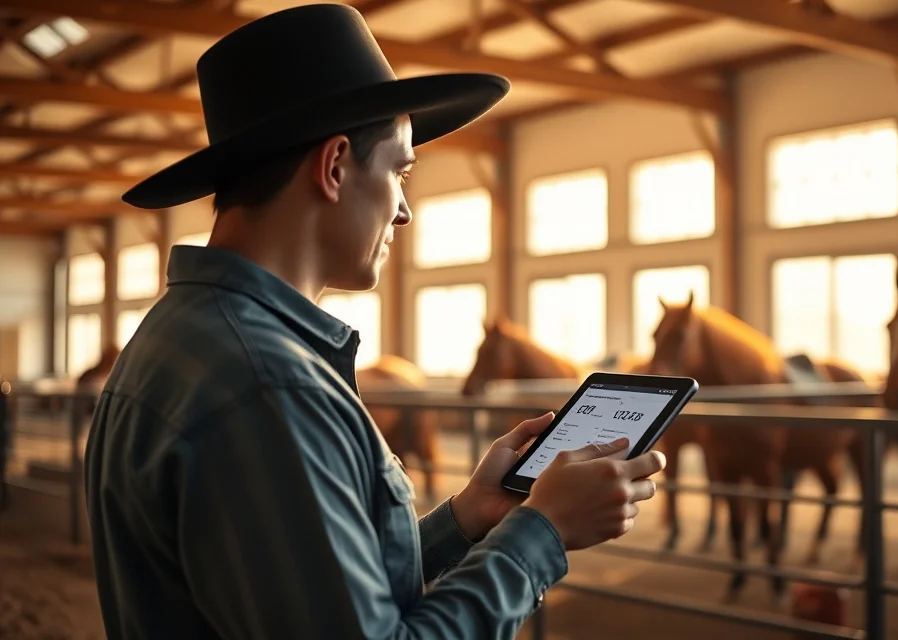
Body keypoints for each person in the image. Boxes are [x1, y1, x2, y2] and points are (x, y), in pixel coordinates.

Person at [82, 5, 666, 639]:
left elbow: (314, 592)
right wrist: (541, 534)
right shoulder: (270, 385)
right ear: (334, 167)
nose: (406, 211)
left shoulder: (181, 334)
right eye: (399, 171)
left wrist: (467, 518)